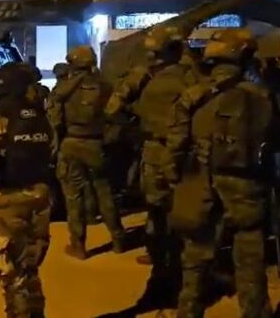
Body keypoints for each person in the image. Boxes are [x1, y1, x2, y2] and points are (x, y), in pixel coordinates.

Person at [167, 30, 275, 318]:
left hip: (202, 181)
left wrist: (174, 175)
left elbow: (175, 143)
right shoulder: (264, 95)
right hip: (248, 184)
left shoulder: (194, 96)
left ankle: (188, 312)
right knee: (250, 259)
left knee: (196, 257)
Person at [104, 26, 199, 274]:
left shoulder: (143, 76)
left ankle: (159, 259)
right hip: (186, 152)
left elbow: (112, 109)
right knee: (184, 207)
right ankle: (182, 261)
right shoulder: (192, 76)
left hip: (153, 150)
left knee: (156, 207)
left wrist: (136, 122)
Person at [0, 62, 54, 318]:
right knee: (30, 268)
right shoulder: (42, 117)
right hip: (40, 198)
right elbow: (50, 152)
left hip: (8, 200)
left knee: (10, 272)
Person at [49, 45, 126, 259]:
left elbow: (55, 121)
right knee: (105, 193)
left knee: (73, 197)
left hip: (70, 144)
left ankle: (79, 245)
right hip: (96, 145)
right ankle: (118, 239)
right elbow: (116, 115)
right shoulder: (105, 86)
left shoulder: (63, 90)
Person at [50, 60, 100, 224]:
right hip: (92, 140)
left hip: (68, 141)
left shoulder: (60, 93)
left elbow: (56, 121)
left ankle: (78, 226)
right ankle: (92, 216)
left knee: (72, 185)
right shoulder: (92, 88)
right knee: (91, 182)